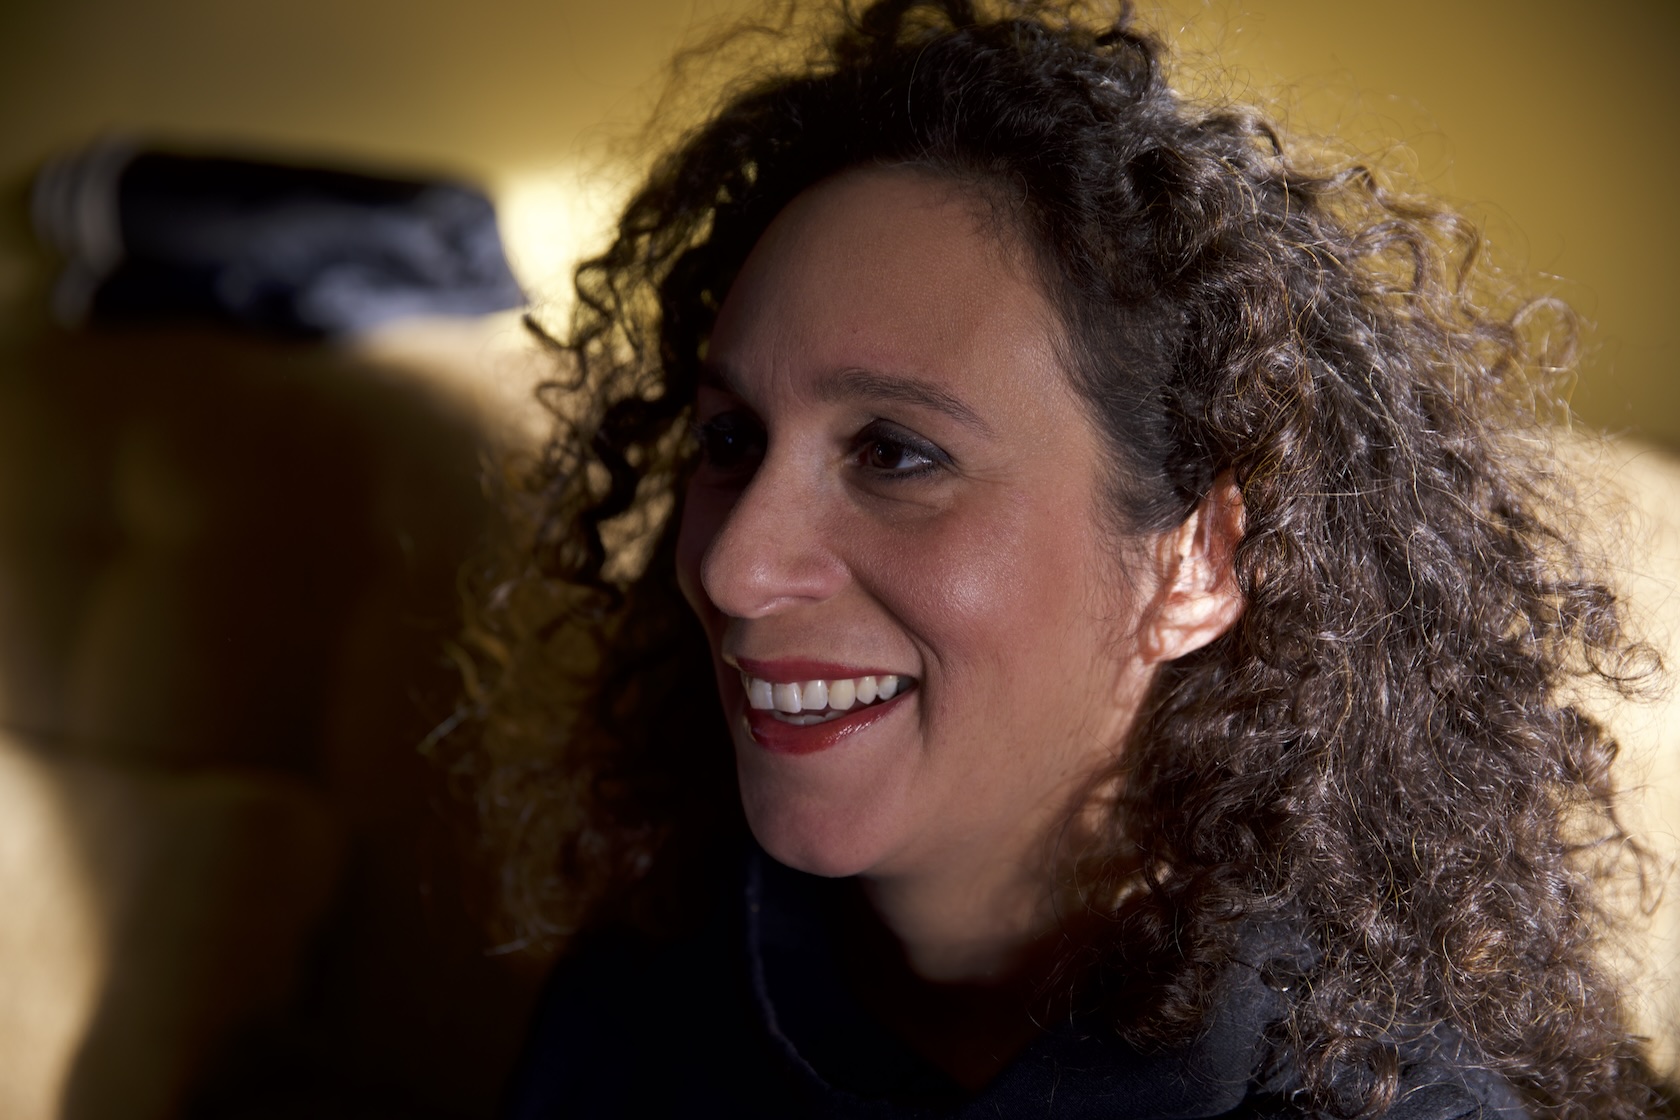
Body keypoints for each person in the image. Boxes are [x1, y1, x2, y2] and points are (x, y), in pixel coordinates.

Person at [463, 1, 1675, 1115]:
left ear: (1196, 560)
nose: (732, 566)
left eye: (894, 452)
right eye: (731, 438)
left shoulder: (1372, 1097)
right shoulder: (648, 996)